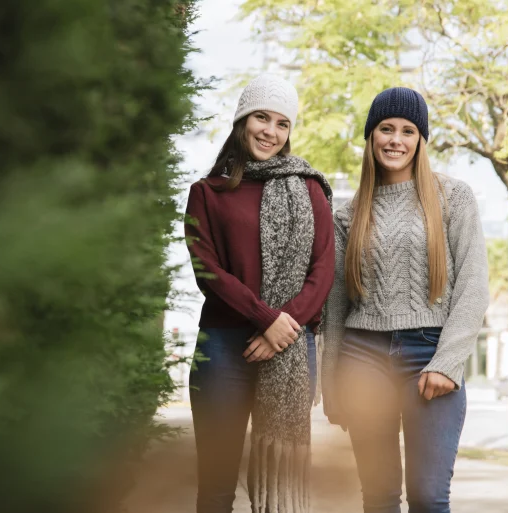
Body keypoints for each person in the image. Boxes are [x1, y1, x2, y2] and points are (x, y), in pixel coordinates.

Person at [321, 87, 489, 513]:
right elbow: (337, 304)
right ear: (371, 136)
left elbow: (473, 285)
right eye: (386, 129)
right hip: (363, 356)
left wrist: (447, 362)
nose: (396, 139)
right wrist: (333, 383)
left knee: (428, 498)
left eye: (408, 130)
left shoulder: (454, 197)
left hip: (430, 354)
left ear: (420, 140)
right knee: (378, 498)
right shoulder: (349, 213)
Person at [185, 73, 334, 513]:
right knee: (215, 486)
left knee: (281, 487)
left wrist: (283, 327)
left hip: (290, 345)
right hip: (223, 348)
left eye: (282, 123)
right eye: (261, 118)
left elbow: (323, 269)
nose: (271, 131)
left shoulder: (308, 188)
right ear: (242, 120)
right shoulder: (206, 194)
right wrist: (266, 318)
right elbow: (206, 270)